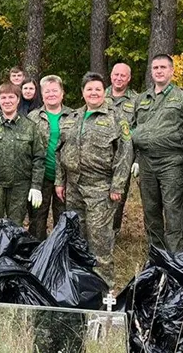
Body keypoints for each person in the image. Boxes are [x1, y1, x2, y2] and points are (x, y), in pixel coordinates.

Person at [56, 72, 132, 286]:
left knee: (99, 238)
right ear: (83, 93)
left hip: (100, 188)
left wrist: (117, 186)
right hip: (74, 187)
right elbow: (59, 151)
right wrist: (60, 181)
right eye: (89, 89)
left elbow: (125, 154)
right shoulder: (72, 117)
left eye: (98, 89)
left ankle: (104, 285)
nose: (93, 93)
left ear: (104, 92)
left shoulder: (116, 118)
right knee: (77, 236)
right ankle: (81, 282)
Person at [132, 54, 183, 252]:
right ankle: (157, 252)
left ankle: (175, 254)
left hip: (172, 161)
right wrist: (135, 159)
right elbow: (133, 128)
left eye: (163, 67)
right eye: (155, 68)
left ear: (172, 71)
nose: (159, 71)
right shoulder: (141, 99)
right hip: (146, 161)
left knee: (173, 209)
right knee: (150, 208)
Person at [0, 83, 46, 234]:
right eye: (3, 98)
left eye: (11, 97)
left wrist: (36, 186)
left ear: (18, 100)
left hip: (20, 186)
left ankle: (13, 250)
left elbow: (38, 158)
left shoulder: (30, 127)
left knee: (15, 228)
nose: (7, 101)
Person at [27, 75, 74, 240]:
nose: (51, 94)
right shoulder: (32, 117)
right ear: (42, 94)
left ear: (62, 93)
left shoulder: (73, 116)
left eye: (55, 90)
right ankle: (37, 249)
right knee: (37, 217)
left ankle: (59, 248)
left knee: (63, 218)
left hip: (66, 177)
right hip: (40, 177)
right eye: (47, 91)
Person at [106, 62, 136, 236]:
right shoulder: (100, 95)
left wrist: (137, 159)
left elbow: (138, 128)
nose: (118, 78)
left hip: (124, 156)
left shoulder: (136, 100)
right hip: (101, 154)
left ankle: (114, 230)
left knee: (119, 194)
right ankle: (100, 229)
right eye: (116, 74)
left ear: (129, 78)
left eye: (122, 75)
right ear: (111, 75)